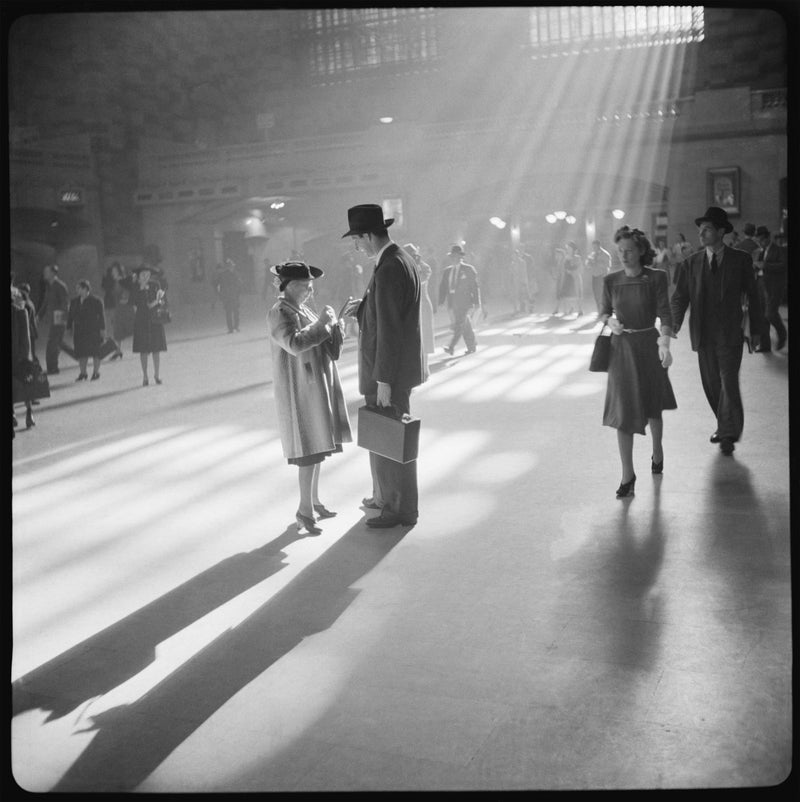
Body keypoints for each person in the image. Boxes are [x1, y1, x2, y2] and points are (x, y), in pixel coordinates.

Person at [341, 203, 427, 528]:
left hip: (388, 371)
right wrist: (363, 309)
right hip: (394, 369)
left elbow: (391, 329)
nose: (356, 245)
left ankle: (396, 509)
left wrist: (384, 380)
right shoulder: (398, 259)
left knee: (390, 437)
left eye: (356, 239)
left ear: (368, 235)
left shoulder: (389, 267)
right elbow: (390, 315)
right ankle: (388, 499)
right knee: (388, 437)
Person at [670, 206, 763, 456]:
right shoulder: (690, 263)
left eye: (707, 228)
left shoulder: (740, 260)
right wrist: (674, 323)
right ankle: (724, 425)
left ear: (721, 231)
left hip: (730, 333)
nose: (701, 233)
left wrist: (756, 330)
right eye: (700, 229)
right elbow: (679, 297)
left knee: (728, 382)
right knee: (712, 385)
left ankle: (728, 433)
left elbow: (754, 297)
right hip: (703, 334)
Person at [268, 260, 352, 535]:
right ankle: (304, 510)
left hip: (312, 384)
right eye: (304, 286)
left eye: (310, 286)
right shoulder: (280, 311)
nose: (309, 291)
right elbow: (294, 343)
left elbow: (316, 334)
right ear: (289, 285)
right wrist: (323, 323)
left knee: (317, 449)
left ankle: (314, 502)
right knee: (307, 451)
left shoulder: (298, 307)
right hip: (299, 390)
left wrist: (333, 325)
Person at [599, 227, 677, 498]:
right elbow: (603, 311)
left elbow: (665, 315)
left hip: (649, 345)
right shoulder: (611, 280)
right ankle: (627, 475)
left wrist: (664, 344)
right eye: (620, 250)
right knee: (623, 412)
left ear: (642, 250)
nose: (623, 255)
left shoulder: (656, 278)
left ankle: (657, 449)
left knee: (653, 404)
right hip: (621, 349)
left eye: (629, 250)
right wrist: (610, 322)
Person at [438, 244, 481, 355]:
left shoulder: (468, 269)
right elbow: (443, 287)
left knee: (459, 324)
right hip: (452, 301)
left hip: (465, 301)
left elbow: (474, 287)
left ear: (461, 257)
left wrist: (477, 302)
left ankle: (451, 346)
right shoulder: (447, 271)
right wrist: (441, 301)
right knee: (464, 324)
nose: (453, 259)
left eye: (456, 256)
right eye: (452, 257)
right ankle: (472, 345)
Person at [130, 264, 167, 386]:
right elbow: (134, 305)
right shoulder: (135, 288)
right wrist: (141, 289)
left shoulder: (155, 285)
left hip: (154, 320)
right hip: (141, 321)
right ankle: (145, 376)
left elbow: (161, 301)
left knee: (156, 349)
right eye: (143, 274)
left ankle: (157, 375)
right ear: (138, 276)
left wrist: (158, 301)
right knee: (143, 350)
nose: (145, 276)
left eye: (147, 274)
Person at [752, 225, 788, 352]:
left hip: (774, 287)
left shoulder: (779, 250)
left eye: (762, 239)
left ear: (768, 238)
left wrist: (765, 265)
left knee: (770, 314)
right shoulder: (759, 252)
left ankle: (782, 334)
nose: (760, 242)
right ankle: (765, 345)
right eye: (758, 240)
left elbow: (783, 266)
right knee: (762, 316)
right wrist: (755, 266)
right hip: (760, 284)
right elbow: (758, 266)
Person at [66, 280, 107, 381]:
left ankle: (96, 372)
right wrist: (69, 327)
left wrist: (102, 329)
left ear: (85, 289)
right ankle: (83, 373)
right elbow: (70, 316)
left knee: (96, 352)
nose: (77, 290)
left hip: (93, 330)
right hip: (79, 331)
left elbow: (102, 316)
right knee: (81, 353)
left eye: (79, 288)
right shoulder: (74, 301)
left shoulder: (96, 301)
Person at [11, 284, 36, 432]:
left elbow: (26, 338)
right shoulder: (21, 312)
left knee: (25, 384)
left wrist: (26, 357)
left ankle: (28, 412)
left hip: (19, 357)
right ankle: (19, 413)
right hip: (18, 356)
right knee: (22, 385)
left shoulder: (20, 312)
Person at [404, 243, 435, 359]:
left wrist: (417, 267)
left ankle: (425, 366)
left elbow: (421, 280)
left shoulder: (424, 267)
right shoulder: (403, 268)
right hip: (409, 307)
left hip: (423, 305)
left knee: (425, 337)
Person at [38, 263, 69, 375]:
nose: (44, 274)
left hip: (58, 320)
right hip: (53, 320)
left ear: (52, 273)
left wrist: (59, 320)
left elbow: (64, 304)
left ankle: (53, 368)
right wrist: (38, 316)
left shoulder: (60, 286)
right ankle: (52, 367)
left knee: (53, 344)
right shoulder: (49, 286)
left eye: (46, 272)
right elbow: (45, 303)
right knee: (56, 343)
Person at [100, 262, 125, 359]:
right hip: (108, 304)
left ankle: (117, 349)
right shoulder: (109, 278)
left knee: (116, 329)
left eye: (115, 270)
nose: (113, 272)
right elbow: (104, 287)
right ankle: (116, 349)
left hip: (116, 306)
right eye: (112, 270)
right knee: (109, 329)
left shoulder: (121, 280)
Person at [552, 241, 584, 316]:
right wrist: (560, 273)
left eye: (569, 248)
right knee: (564, 294)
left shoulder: (577, 258)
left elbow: (580, 268)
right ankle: (560, 309)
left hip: (575, 278)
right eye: (567, 248)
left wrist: (572, 271)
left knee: (577, 294)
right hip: (566, 278)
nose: (568, 249)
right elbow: (562, 267)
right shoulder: (565, 258)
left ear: (573, 249)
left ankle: (580, 310)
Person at [215, 257, 242, 333]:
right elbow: (239, 284)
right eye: (231, 266)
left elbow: (217, 284)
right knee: (234, 312)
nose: (232, 267)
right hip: (232, 296)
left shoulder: (222, 274)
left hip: (228, 296)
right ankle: (235, 327)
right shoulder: (235, 274)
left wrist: (220, 294)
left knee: (230, 313)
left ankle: (231, 328)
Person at [586, 239, 612, 315]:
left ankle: (605, 311)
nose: (594, 248)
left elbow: (608, 266)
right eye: (593, 247)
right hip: (594, 276)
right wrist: (589, 264)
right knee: (596, 294)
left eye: (595, 247)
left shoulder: (605, 254)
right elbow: (587, 264)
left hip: (602, 276)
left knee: (602, 294)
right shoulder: (592, 254)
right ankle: (599, 311)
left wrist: (597, 263)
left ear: (599, 246)